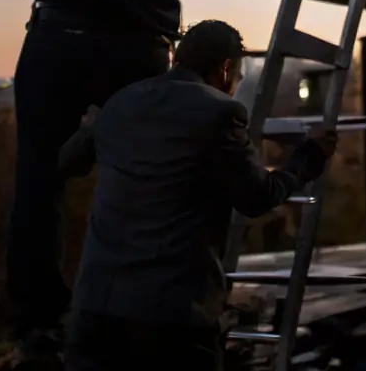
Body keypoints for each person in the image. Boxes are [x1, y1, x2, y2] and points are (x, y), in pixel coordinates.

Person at [0, 0, 240, 367]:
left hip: (62, 43)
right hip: (139, 56)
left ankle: (41, 321)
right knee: (152, 181)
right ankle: (155, 304)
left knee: (41, 179)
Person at [58, 20, 338, 371]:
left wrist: (90, 128)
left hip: (96, 310)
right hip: (171, 321)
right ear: (225, 69)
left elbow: (67, 162)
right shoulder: (220, 112)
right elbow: (257, 197)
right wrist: (308, 157)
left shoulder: (121, 102)